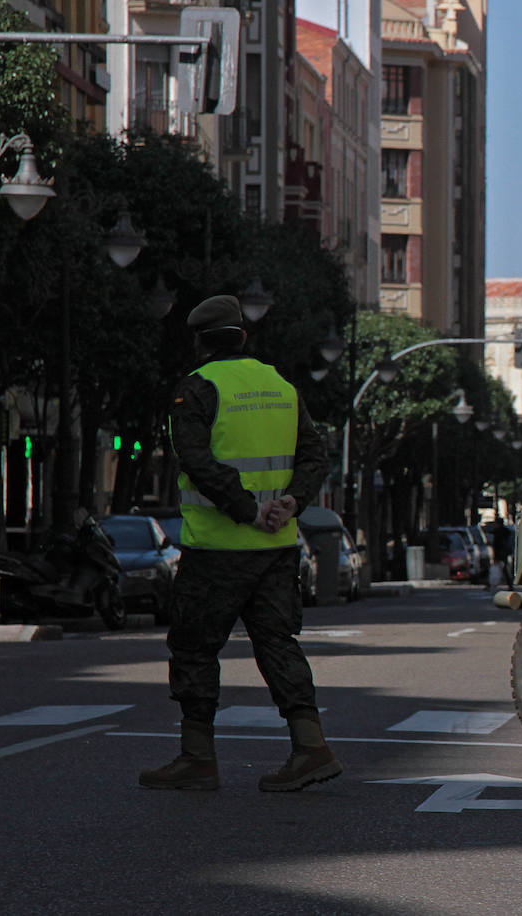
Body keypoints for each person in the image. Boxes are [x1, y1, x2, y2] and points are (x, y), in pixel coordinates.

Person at [139, 294, 342, 793]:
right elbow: (315, 455)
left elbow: (196, 462)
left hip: (217, 550)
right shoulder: (282, 387)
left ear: (199, 342)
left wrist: (249, 509)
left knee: (194, 647)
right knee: (277, 642)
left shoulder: (197, 388)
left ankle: (197, 756)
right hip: (276, 549)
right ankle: (310, 747)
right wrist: (290, 502)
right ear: (243, 337)